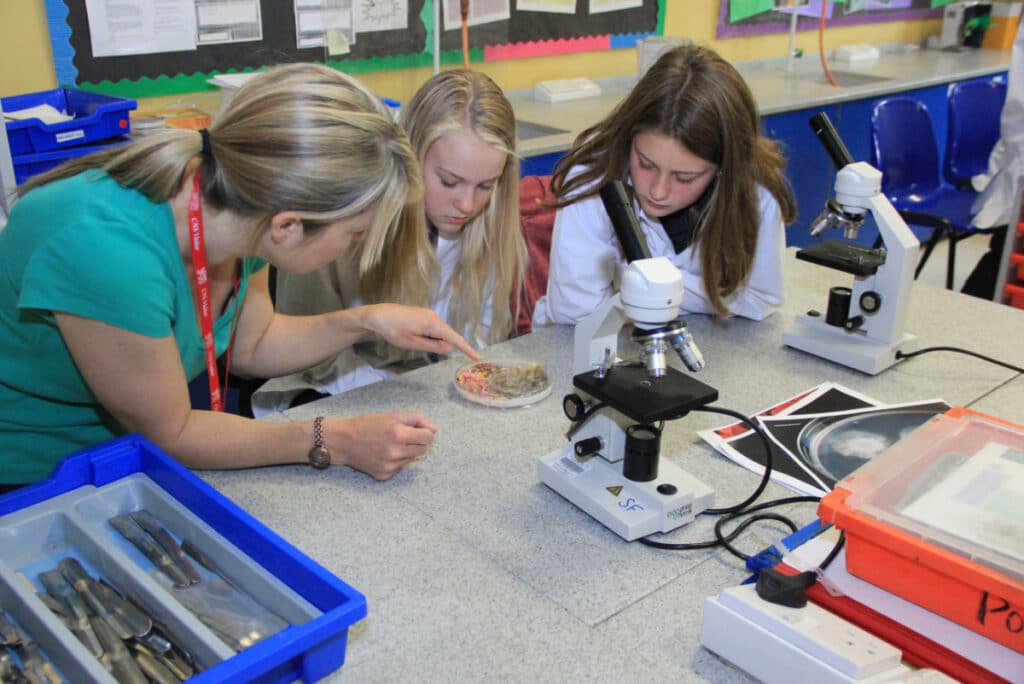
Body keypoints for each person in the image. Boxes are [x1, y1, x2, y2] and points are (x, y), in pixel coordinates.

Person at [0, 63, 481, 490]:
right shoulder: (108, 252)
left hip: (124, 450)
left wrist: (367, 320)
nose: (356, 246)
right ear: (288, 227)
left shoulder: (245, 207)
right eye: (356, 234)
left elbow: (255, 344)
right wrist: (337, 439)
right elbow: (175, 433)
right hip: (30, 476)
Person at [252, 69, 526, 414]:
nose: (468, 205)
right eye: (449, 181)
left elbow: (473, 339)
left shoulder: (486, 222)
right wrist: (401, 396)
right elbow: (309, 356)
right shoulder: (348, 222)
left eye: (485, 186)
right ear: (410, 157)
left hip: (421, 389)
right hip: (327, 389)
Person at [532, 44, 796, 326]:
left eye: (685, 178)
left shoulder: (753, 192)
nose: (658, 191)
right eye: (645, 164)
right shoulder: (595, 176)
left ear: (724, 168)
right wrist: (698, 293)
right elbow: (576, 311)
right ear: (629, 137)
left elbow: (760, 297)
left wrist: (654, 290)